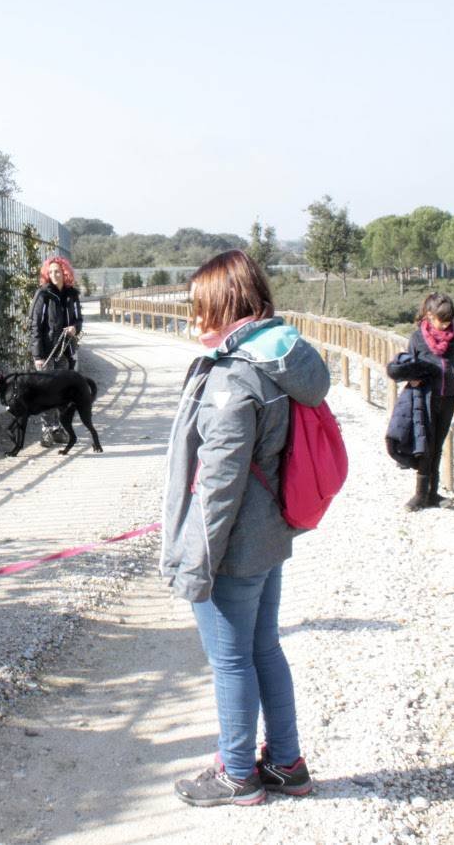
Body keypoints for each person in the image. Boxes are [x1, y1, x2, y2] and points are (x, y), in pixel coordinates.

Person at [161, 249, 328, 807]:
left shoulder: (234, 378)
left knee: (231, 659)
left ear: (225, 305)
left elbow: (218, 485)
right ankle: (286, 763)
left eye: (199, 306)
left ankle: (237, 772)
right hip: (268, 536)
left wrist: (193, 562)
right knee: (263, 650)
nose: (194, 318)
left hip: (232, 545)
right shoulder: (275, 358)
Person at [403, 292, 454, 511]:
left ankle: (432, 493)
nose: (446, 325)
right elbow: (408, 363)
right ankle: (419, 495)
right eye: (441, 320)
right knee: (425, 445)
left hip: (447, 398)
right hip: (424, 398)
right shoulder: (417, 337)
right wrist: (411, 376)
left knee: (437, 445)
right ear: (429, 315)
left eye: (449, 320)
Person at [28, 254, 83, 447]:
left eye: (57, 271)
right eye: (50, 272)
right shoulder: (42, 295)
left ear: (64, 272)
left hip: (65, 350)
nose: (53, 275)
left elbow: (78, 319)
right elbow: (35, 326)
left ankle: (58, 428)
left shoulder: (72, 295)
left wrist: (74, 328)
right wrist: (37, 356)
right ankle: (46, 430)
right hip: (46, 351)